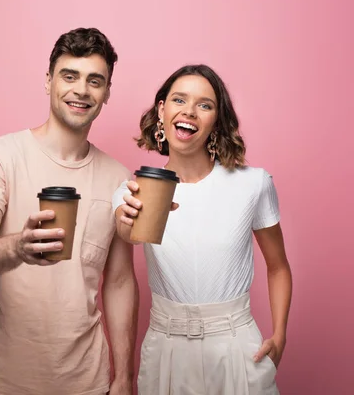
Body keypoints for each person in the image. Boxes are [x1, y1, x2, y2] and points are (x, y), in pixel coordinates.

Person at [0, 27, 138, 395]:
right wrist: (17, 248)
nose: (81, 90)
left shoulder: (118, 178)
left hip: (88, 383)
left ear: (106, 93)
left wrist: (124, 377)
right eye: (69, 76)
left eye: (95, 81)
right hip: (3, 382)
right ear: (48, 81)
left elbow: (119, 281)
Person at [113, 64, 292, 394]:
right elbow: (128, 234)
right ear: (162, 110)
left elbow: (278, 266)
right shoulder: (135, 190)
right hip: (165, 349)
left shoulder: (253, 184)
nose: (190, 112)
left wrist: (280, 334)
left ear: (216, 121)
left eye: (204, 105)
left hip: (237, 346)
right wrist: (126, 219)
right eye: (179, 100)